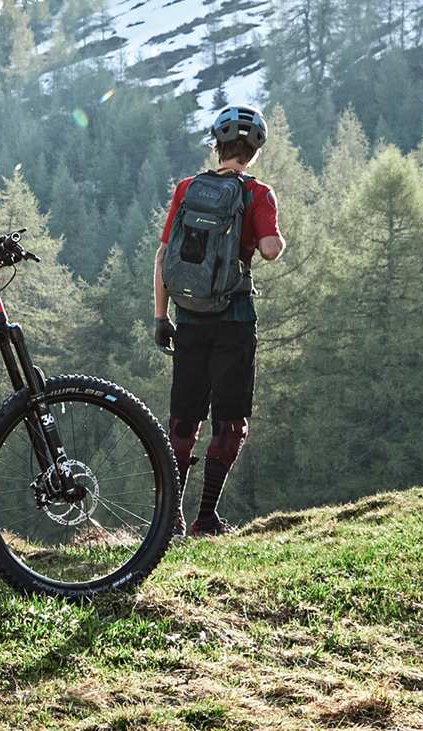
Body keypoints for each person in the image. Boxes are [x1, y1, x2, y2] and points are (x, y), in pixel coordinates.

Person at [151, 106, 286, 537]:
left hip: (188, 318)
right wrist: (276, 237)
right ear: (254, 151)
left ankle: (170, 517)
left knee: (182, 421)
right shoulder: (257, 193)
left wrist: (160, 316)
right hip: (234, 320)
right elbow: (269, 250)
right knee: (230, 422)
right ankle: (205, 519)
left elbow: (164, 255)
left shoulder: (188, 188)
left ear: (217, 145)